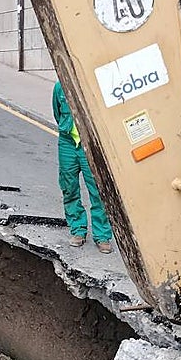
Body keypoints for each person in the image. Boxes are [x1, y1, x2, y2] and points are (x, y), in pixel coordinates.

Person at [52, 81, 113, 254]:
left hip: (91, 145)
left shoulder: (93, 84)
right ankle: (78, 230)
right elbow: (57, 113)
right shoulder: (59, 87)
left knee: (98, 191)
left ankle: (102, 235)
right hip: (67, 143)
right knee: (69, 187)